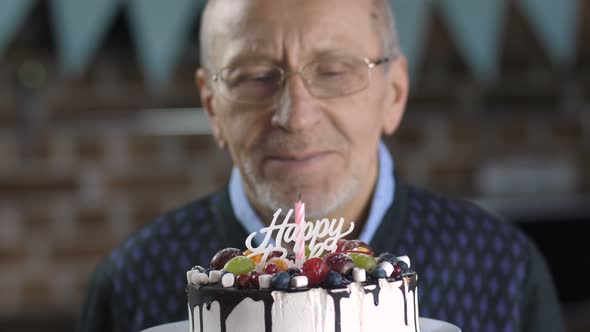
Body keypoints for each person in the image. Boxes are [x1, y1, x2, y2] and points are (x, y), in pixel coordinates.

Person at [79, 0, 564, 331]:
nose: (295, 115)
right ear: (211, 107)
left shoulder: (503, 269)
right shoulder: (129, 285)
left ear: (394, 94)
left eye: (334, 71)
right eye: (254, 77)